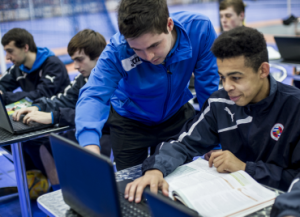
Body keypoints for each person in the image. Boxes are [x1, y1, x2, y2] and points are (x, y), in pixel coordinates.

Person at [124, 27, 300, 203]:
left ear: (263, 70)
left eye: (236, 78)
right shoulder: (220, 103)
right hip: (233, 199)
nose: (227, 87)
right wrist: (156, 169)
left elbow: (296, 179)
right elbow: (182, 144)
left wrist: (245, 169)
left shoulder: (295, 107)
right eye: (222, 78)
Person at [75, 0, 219, 171]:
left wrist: (213, 140)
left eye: (154, 45)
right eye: (137, 49)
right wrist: (89, 145)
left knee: (180, 183)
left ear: (169, 24)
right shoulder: (117, 51)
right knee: (129, 189)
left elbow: (208, 88)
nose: (148, 56)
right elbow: (94, 95)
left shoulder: (199, 30)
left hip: (176, 116)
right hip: (129, 121)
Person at [12, 29, 110, 189]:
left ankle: (82, 193)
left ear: (98, 58)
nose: (76, 66)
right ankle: (59, 193)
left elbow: (100, 114)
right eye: (73, 60)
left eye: (80, 60)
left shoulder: (113, 79)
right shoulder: (82, 78)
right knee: (44, 143)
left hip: (108, 132)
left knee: (71, 150)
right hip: (85, 128)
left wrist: (53, 116)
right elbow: (64, 99)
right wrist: (36, 107)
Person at [0, 28, 70, 105]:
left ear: (25, 48)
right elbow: (2, 84)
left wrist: (5, 97)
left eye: (10, 51)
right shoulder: (17, 68)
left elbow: (41, 95)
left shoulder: (54, 65)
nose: (7, 57)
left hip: (58, 112)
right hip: (36, 111)